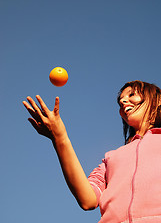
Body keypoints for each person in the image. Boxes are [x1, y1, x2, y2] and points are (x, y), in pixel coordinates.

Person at [23, 80, 161, 223]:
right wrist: (59, 137)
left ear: (157, 101)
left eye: (131, 94)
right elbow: (88, 200)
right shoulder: (111, 158)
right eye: (120, 101)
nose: (124, 101)